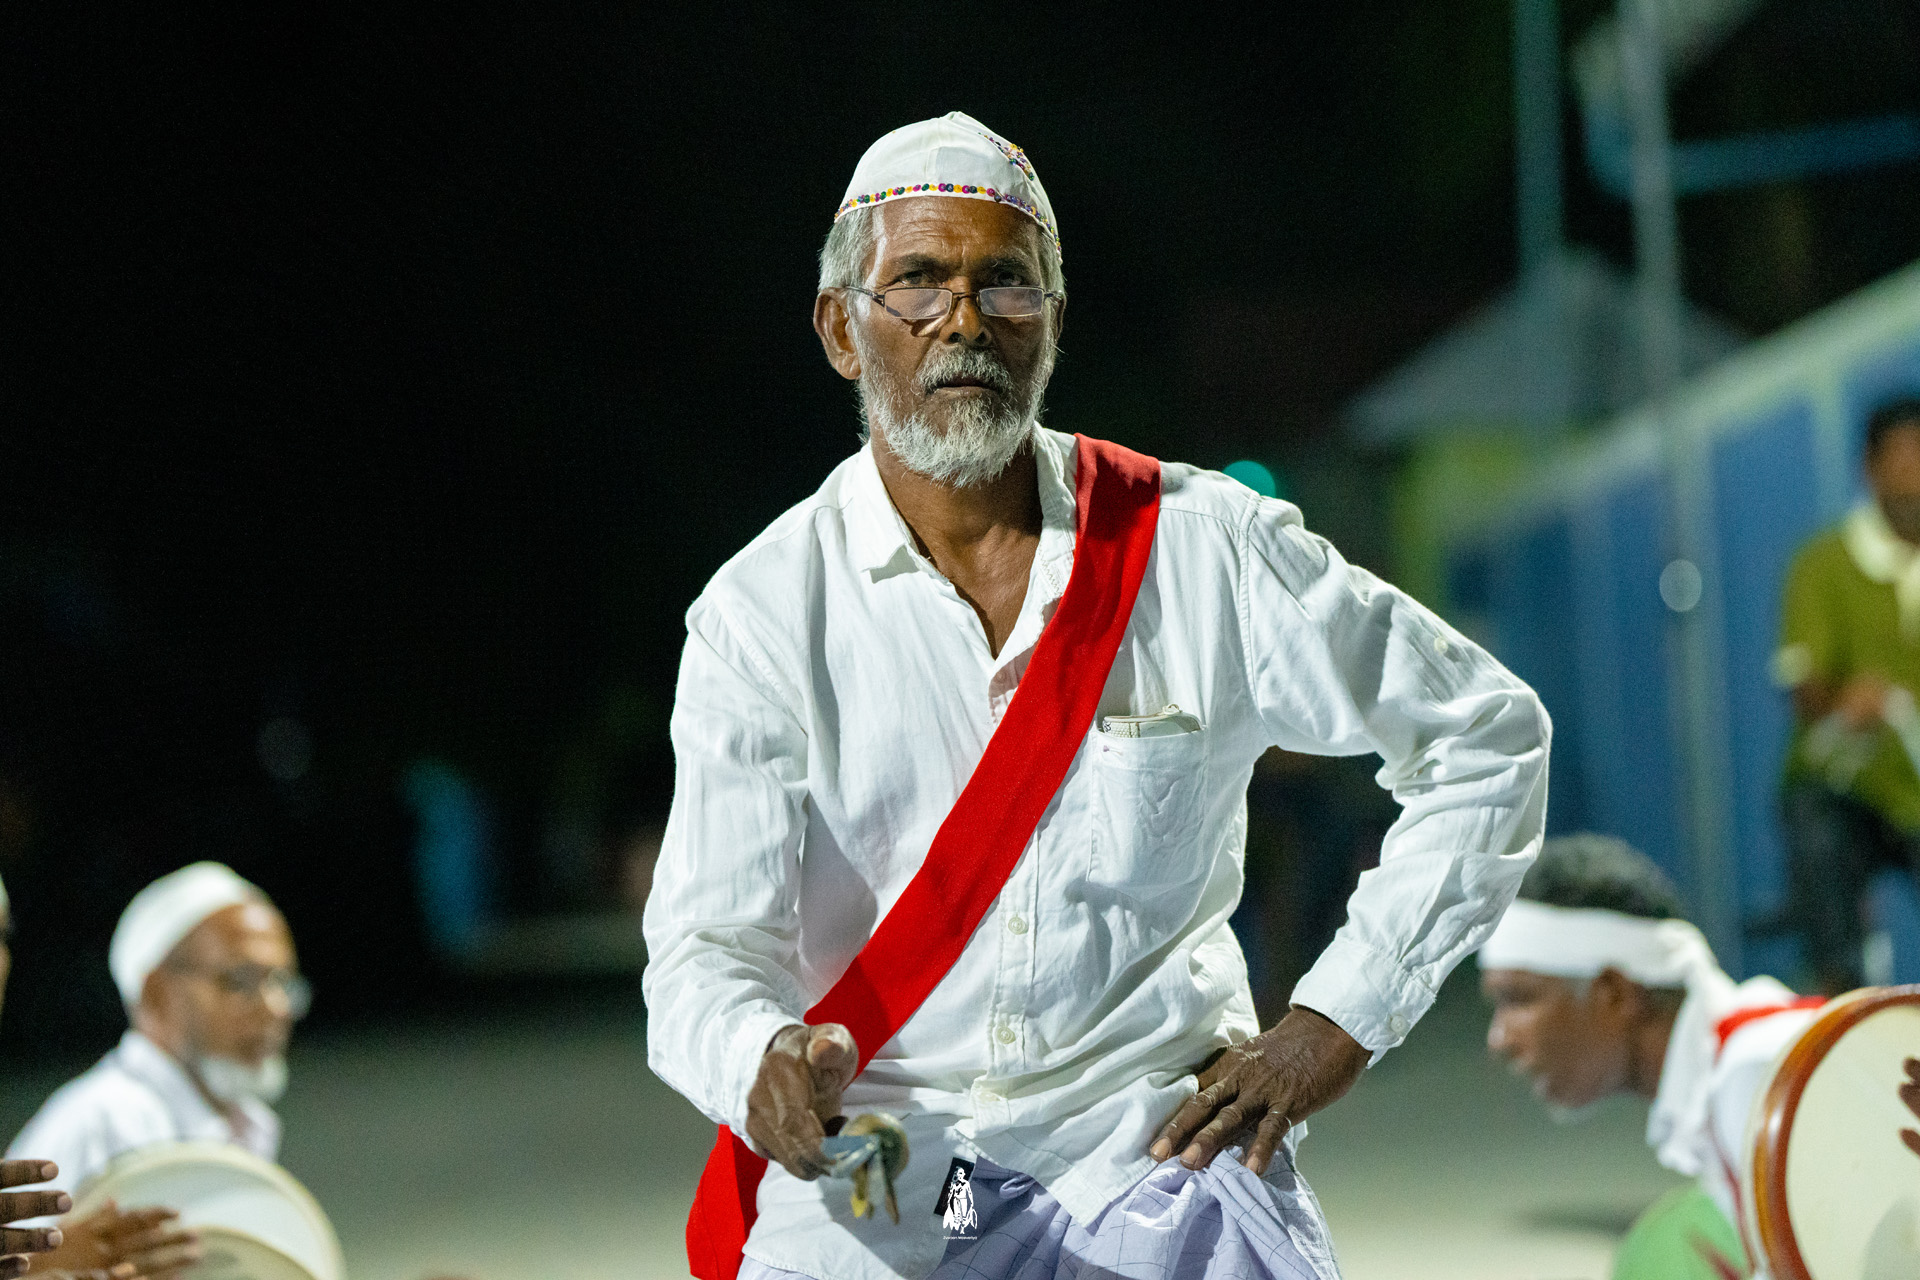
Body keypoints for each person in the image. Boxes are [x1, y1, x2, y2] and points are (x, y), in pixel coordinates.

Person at [644, 111, 1550, 1280]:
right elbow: (703, 953)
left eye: (1005, 283)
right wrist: (758, 1057)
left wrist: (1337, 1020)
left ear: (1053, 323)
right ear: (840, 330)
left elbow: (1489, 737)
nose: (964, 320)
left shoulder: (1200, 548)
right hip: (887, 1166)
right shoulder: (762, 614)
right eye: (917, 282)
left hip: (1158, 1149)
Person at [1479, 833, 1823, 1280]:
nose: (1499, 1039)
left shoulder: (1756, 1076)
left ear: (1615, 993)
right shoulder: (1738, 1069)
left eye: (1518, 1000)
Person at [10, 862, 306, 1277]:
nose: (275, 1007)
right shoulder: (104, 1119)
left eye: (282, 982)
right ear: (156, 993)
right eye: (241, 981)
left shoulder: (244, 1125)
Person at [1775, 396, 1920, 992]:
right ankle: (1841, 995)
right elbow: (1804, 685)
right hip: (1850, 787)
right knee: (1820, 834)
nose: (1914, 474)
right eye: (1901, 458)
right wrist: (1844, 701)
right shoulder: (1823, 563)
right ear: (1871, 469)